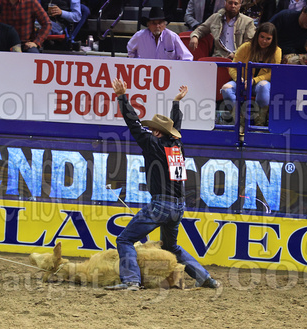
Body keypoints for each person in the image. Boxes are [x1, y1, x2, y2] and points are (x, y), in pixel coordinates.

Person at [106, 79, 221, 291]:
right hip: (179, 206)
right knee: (171, 246)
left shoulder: (152, 144)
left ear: (158, 132)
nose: (149, 131)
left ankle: (131, 280)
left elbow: (133, 123)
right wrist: (176, 104)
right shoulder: (177, 145)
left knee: (124, 240)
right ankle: (204, 277)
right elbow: (176, 126)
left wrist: (122, 98)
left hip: (161, 205)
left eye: (153, 129)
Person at [220, 22, 281, 127]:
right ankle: (239, 121)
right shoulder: (245, 47)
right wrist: (238, 78)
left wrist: (254, 80)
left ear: (273, 39)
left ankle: (259, 121)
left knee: (264, 86)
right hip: (242, 82)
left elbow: (273, 72)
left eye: (268, 38)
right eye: (262, 37)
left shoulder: (277, 51)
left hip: (260, 83)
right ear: (257, 35)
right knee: (226, 88)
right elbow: (233, 67)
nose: (264, 41)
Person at [189, 0, 255, 59]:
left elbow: (250, 43)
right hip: (218, 57)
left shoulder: (247, 21)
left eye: (235, 4)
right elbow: (200, 30)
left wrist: (236, 53)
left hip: (238, 58)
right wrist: (195, 36)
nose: (233, 6)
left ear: (240, 5)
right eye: (230, 3)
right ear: (225, 3)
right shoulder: (215, 17)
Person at [127, 7, 193, 60]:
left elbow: (187, 58)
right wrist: (136, 63)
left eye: (160, 23)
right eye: (154, 23)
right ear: (148, 25)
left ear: (165, 25)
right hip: (145, 72)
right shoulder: (139, 36)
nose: (157, 26)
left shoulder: (172, 37)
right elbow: (130, 51)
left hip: (168, 73)